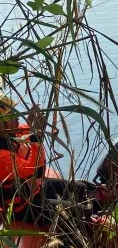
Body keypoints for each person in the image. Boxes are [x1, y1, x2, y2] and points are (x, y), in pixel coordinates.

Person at [0, 93, 91, 223]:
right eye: (11, 115)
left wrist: (32, 122)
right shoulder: (2, 157)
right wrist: (36, 136)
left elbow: (27, 129)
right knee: (77, 212)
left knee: (81, 188)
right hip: (24, 208)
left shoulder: (9, 133)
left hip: (35, 189)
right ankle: (69, 241)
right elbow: (37, 171)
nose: (17, 116)